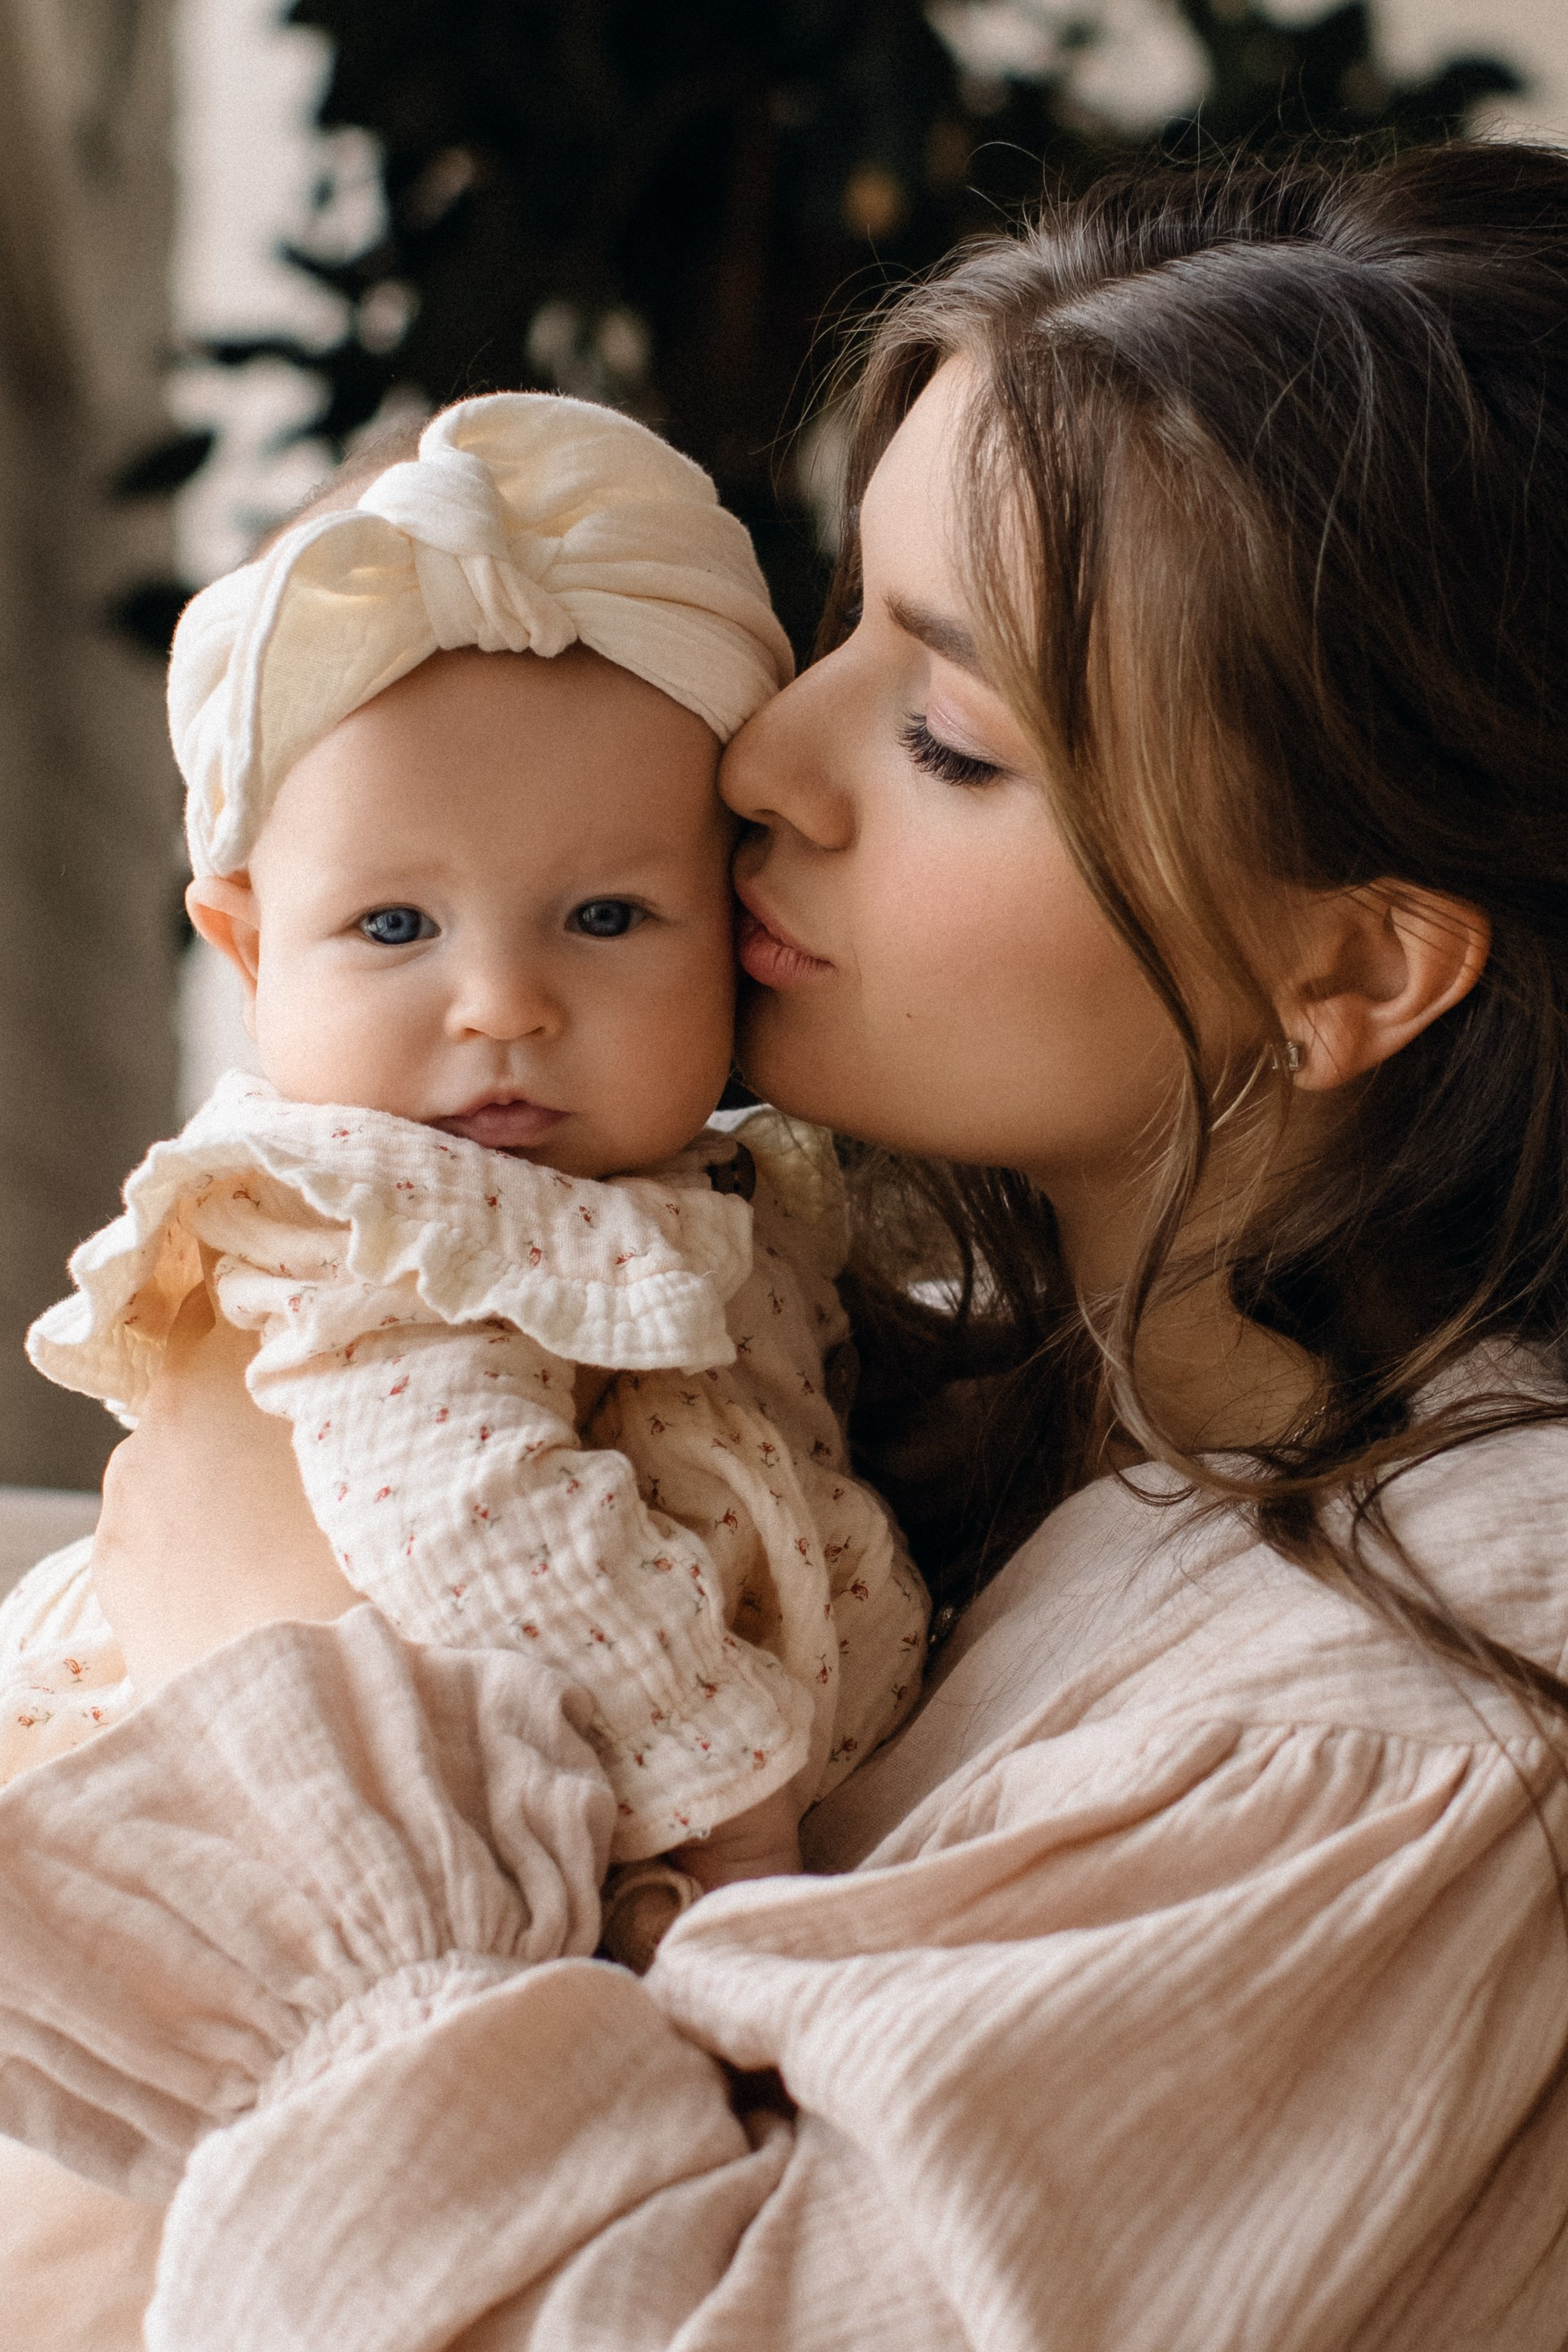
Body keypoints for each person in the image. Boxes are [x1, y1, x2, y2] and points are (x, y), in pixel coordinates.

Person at [2, 140, 1568, 2350]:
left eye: (946, 735)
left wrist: (281, 1689)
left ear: (1357, 965)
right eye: (841, 622)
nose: (758, 760)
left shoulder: (1413, 1725)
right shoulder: (945, 1382)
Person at [6, 391, 925, 1912]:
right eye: (392, 927)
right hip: (292, 1860)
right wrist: (737, 1797)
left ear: (737, 923)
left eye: (608, 917)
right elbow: (470, 1510)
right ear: (247, 950)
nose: (502, 1005)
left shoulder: (696, 1193)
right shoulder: (380, 1218)